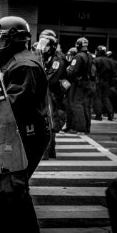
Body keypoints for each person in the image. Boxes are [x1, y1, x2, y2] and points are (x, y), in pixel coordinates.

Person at [0, 16, 51, 233]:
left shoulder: (24, 65)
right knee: (9, 186)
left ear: (14, 40)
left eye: (1, 40)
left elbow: (13, 104)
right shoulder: (14, 61)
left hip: (26, 134)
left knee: (9, 186)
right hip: (16, 132)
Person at [37, 29, 67, 159]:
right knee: (47, 121)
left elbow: (50, 79)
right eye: (41, 42)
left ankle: (45, 152)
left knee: (48, 122)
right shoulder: (43, 56)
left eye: (46, 43)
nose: (42, 46)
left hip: (53, 94)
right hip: (47, 93)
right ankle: (51, 151)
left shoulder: (58, 59)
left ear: (53, 45)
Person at [66, 37, 92, 134]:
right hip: (87, 83)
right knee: (84, 105)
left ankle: (79, 128)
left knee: (76, 105)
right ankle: (86, 127)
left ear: (78, 45)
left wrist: (67, 68)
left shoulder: (78, 56)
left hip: (78, 83)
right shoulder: (89, 56)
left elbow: (71, 71)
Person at [93, 45, 117, 121]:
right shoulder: (112, 61)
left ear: (98, 51)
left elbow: (93, 72)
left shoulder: (95, 60)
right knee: (106, 98)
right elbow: (115, 73)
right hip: (107, 82)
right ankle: (110, 114)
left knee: (97, 98)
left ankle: (98, 115)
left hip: (98, 80)